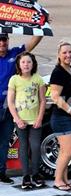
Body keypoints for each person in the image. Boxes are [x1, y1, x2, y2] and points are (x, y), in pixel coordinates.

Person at [0, 33, 44, 185]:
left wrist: (41, 25)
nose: (2, 43)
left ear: (7, 40)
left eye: (4, 39)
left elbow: (33, 42)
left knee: (5, 142)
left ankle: (1, 172)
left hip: (7, 107)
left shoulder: (15, 54)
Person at [7, 52, 46, 189]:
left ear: (33, 63)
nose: (26, 64)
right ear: (18, 64)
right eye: (23, 62)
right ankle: (26, 176)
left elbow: (42, 100)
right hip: (21, 121)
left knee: (35, 147)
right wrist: (17, 119)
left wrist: (40, 118)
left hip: (35, 120)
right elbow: (10, 102)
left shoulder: (38, 79)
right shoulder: (14, 79)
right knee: (23, 147)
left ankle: (35, 174)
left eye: (29, 62)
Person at [50, 40, 71, 191]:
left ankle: (65, 179)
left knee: (66, 151)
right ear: (59, 55)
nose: (68, 55)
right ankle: (57, 180)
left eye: (70, 52)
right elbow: (56, 98)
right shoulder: (58, 72)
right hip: (62, 117)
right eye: (64, 53)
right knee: (69, 151)